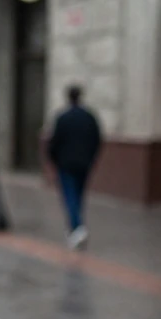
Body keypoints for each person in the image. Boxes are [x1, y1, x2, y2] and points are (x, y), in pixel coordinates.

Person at [47, 85, 102, 250]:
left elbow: (54, 142)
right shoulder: (89, 117)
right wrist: (91, 158)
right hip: (84, 164)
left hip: (66, 164)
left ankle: (77, 228)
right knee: (79, 195)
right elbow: (97, 139)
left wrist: (54, 160)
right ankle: (75, 227)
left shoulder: (63, 118)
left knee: (70, 196)